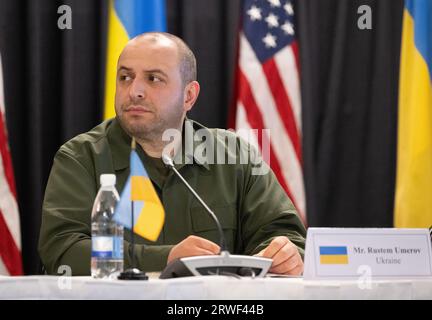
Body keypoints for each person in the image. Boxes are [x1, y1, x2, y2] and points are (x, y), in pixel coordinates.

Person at [38, 32, 306, 276]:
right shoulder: (81, 157)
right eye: (125, 77)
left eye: (153, 79)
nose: (135, 91)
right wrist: (166, 259)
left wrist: (286, 254)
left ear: (189, 96)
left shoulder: (235, 156)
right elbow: (62, 252)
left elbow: (283, 234)